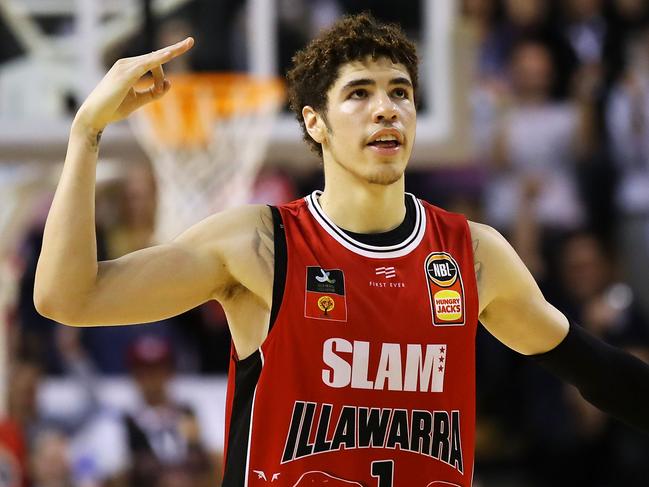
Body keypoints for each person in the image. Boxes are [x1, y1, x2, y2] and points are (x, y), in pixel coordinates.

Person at [34, 13, 649, 486]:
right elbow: (66, 297)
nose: (386, 108)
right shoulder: (258, 244)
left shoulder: (473, 255)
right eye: (359, 93)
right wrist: (87, 133)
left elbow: (598, 372)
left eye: (400, 92)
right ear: (314, 124)